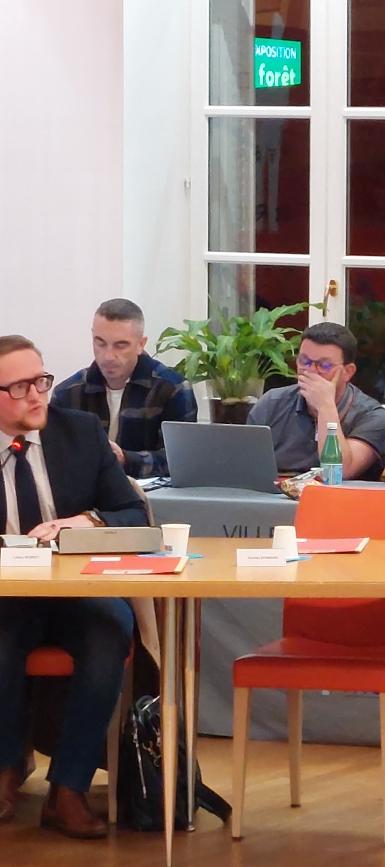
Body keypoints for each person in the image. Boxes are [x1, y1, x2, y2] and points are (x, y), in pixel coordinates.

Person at [0, 335, 149, 839]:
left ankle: (70, 787)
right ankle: (6, 769)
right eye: (19, 387)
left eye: (40, 381)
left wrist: (85, 521)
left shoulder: (80, 432)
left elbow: (133, 512)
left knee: (110, 630)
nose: (37, 395)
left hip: (77, 591)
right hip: (7, 596)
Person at [51, 298, 197, 478]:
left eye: (120, 345)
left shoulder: (172, 389)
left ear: (141, 344)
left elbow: (180, 460)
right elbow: (54, 458)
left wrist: (125, 459)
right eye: (100, 343)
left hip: (147, 492)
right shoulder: (67, 393)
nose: (108, 356)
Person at [247, 322, 385, 481]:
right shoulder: (272, 403)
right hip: (276, 494)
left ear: (348, 372)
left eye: (324, 365)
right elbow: (245, 466)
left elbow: (341, 471)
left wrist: (325, 406)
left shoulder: (371, 415)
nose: (310, 371)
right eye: (304, 361)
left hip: (339, 495)